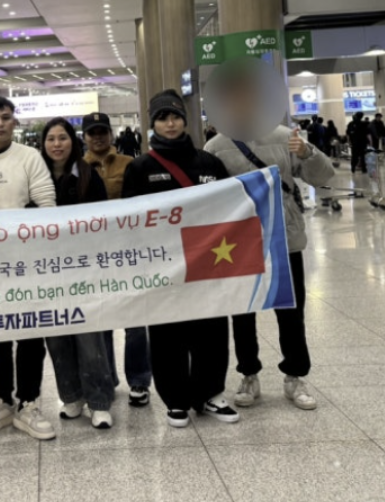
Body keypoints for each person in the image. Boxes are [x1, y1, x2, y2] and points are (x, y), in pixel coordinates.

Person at [120, 90, 237, 428]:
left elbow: (231, 208)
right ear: (153, 124)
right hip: (163, 267)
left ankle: (211, 393)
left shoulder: (209, 163)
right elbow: (129, 221)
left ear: (185, 120)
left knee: (211, 331)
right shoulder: (140, 168)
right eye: (162, 118)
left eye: (175, 117)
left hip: (207, 263)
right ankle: (175, 400)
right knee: (167, 335)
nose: (170, 123)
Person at [205, 114, 334, 412]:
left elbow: (322, 176)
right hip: (238, 242)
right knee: (243, 313)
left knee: (291, 312)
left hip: (283, 237)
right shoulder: (215, 147)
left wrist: (308, 153)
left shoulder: (286, 137)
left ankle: (295, 375)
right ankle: (249, 374)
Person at [0, 96, 57, 440]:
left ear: (14, 122)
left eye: (6, 117)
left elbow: (46, 205)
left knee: (31, 334)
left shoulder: (29, 157)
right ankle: (1, 400)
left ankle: (29, 402)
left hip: (27, 262)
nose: (0, 123)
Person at [39, 118, 116, 429]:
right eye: (51, 139)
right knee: (57, 337)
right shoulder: (36, 176)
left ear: (73, 141)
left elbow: (102, 221)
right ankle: (71, 396)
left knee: (89, 337)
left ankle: (99, 402)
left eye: (63, 138)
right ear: (43, 144)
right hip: (45, 271)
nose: (57, 144)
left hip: (82, 269)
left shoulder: (87, 175)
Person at [82, 111, 153, 408]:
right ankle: (107, 378)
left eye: (103, 131)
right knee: (101, 321)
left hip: (127, 253)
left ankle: (139, 379)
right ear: (85, 137)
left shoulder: (129, 164)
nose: (98, 137)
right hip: (92, 256)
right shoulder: (77, 168)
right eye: (92, 132)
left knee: (134, 321)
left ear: (111, 134)